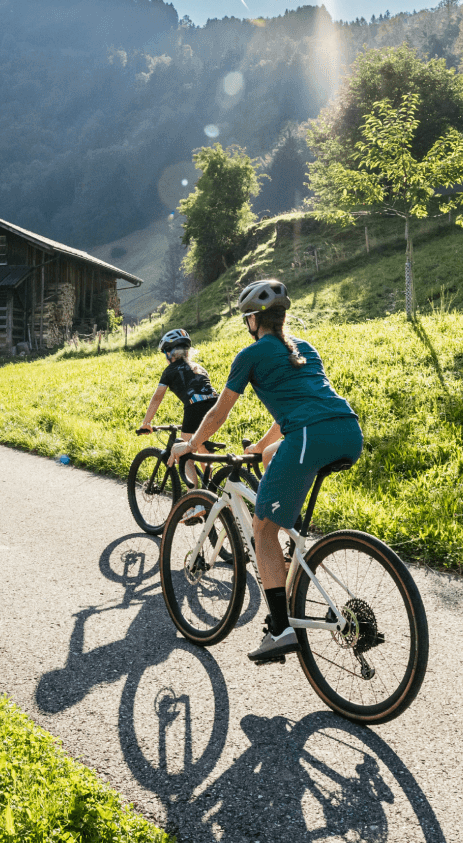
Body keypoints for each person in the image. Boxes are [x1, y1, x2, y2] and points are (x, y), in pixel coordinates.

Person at [173, 278, 363, 663]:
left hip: (310, 435)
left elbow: (218, 413)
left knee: (262, 528)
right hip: (346, 429)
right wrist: (260, 447)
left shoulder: (252, 354)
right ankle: (292, 551)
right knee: (273, 456)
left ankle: (280, 628)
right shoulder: (304, 348)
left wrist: (190, 446)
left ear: (253, 320)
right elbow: (298, 407)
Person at [139, 328, 219, 487]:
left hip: (194, 406)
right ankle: (210, 487)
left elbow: (157, 397)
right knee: (201, 444)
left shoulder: (169, 371)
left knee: (185, 449)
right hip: (215, 406)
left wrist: (146, 422)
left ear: (169, 353)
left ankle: (194, 497)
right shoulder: (199, 367)